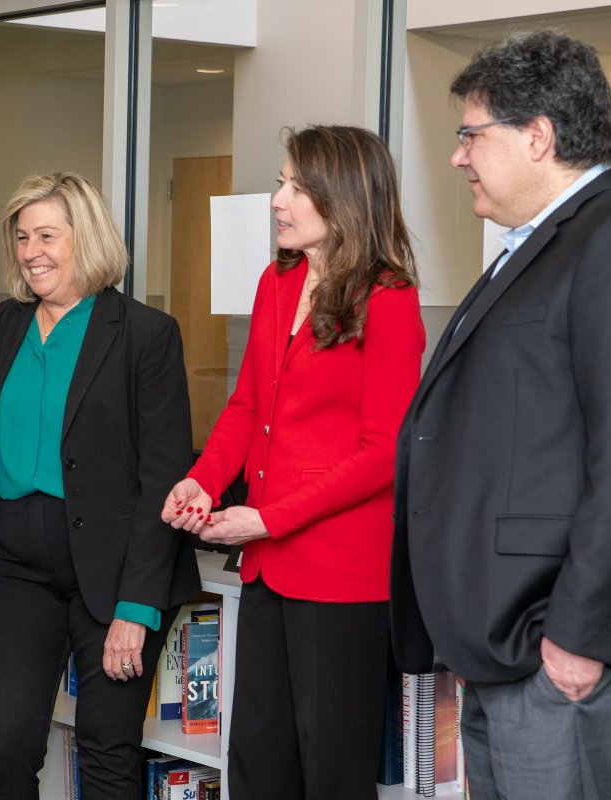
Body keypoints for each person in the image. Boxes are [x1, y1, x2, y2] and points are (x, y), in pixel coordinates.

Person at [390, 30, 611, 800]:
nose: (459, 156)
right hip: (507, 645)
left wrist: (580, 637)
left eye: (472, 136)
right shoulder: (534, 247)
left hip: (562, 653)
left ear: (538, 136)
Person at [0, 171, 201, 799]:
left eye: (47, 234)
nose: (30, 250)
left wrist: (137, 606)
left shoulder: (147, 335)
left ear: (86, 237)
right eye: (21, 237)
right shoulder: (1, 326)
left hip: (116, 575)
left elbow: (163, 477)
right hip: (16, 568)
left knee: (107, 751)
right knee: (8, 748)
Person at [163, 125, 424, 799]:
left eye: (295, 186)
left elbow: (384, 453)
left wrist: (266, 519)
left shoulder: (389, 298)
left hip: (342, 579)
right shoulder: (277, 282)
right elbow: (248, 407)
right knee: (257, 762)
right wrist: (203, 480)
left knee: (332, 774)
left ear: (341, 198)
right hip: (270, 570)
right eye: (281, 183)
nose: (278, 199)